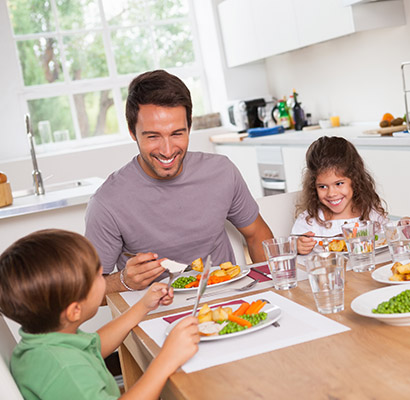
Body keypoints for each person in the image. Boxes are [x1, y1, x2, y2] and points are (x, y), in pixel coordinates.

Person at [85, 70, 273, 294]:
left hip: (226, 301)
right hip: (156, 315)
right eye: (153, 136)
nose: (167, 150)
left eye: (177, 133)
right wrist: (124, 281)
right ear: (132, 132)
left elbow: (257, 235)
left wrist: (273, 288)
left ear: (189, 127)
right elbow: (89, 293)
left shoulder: (221, 172)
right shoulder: (108, 202)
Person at [0, 229, 200, 399]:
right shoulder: (65, 368)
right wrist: (167, 359)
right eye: (97, 275)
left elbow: (95, 345)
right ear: (74, 311)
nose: (103, 276)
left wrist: (143, 306)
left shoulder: (45, 342)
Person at [291, 136, 410, 255]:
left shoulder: (370, 212)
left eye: (339, 184)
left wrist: (402, 226)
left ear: (355, 180)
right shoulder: (309, 221)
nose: (331, 193)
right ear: (313, 186)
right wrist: (296, 246)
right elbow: (292, 252)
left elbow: (388, 235)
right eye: (322, 186)